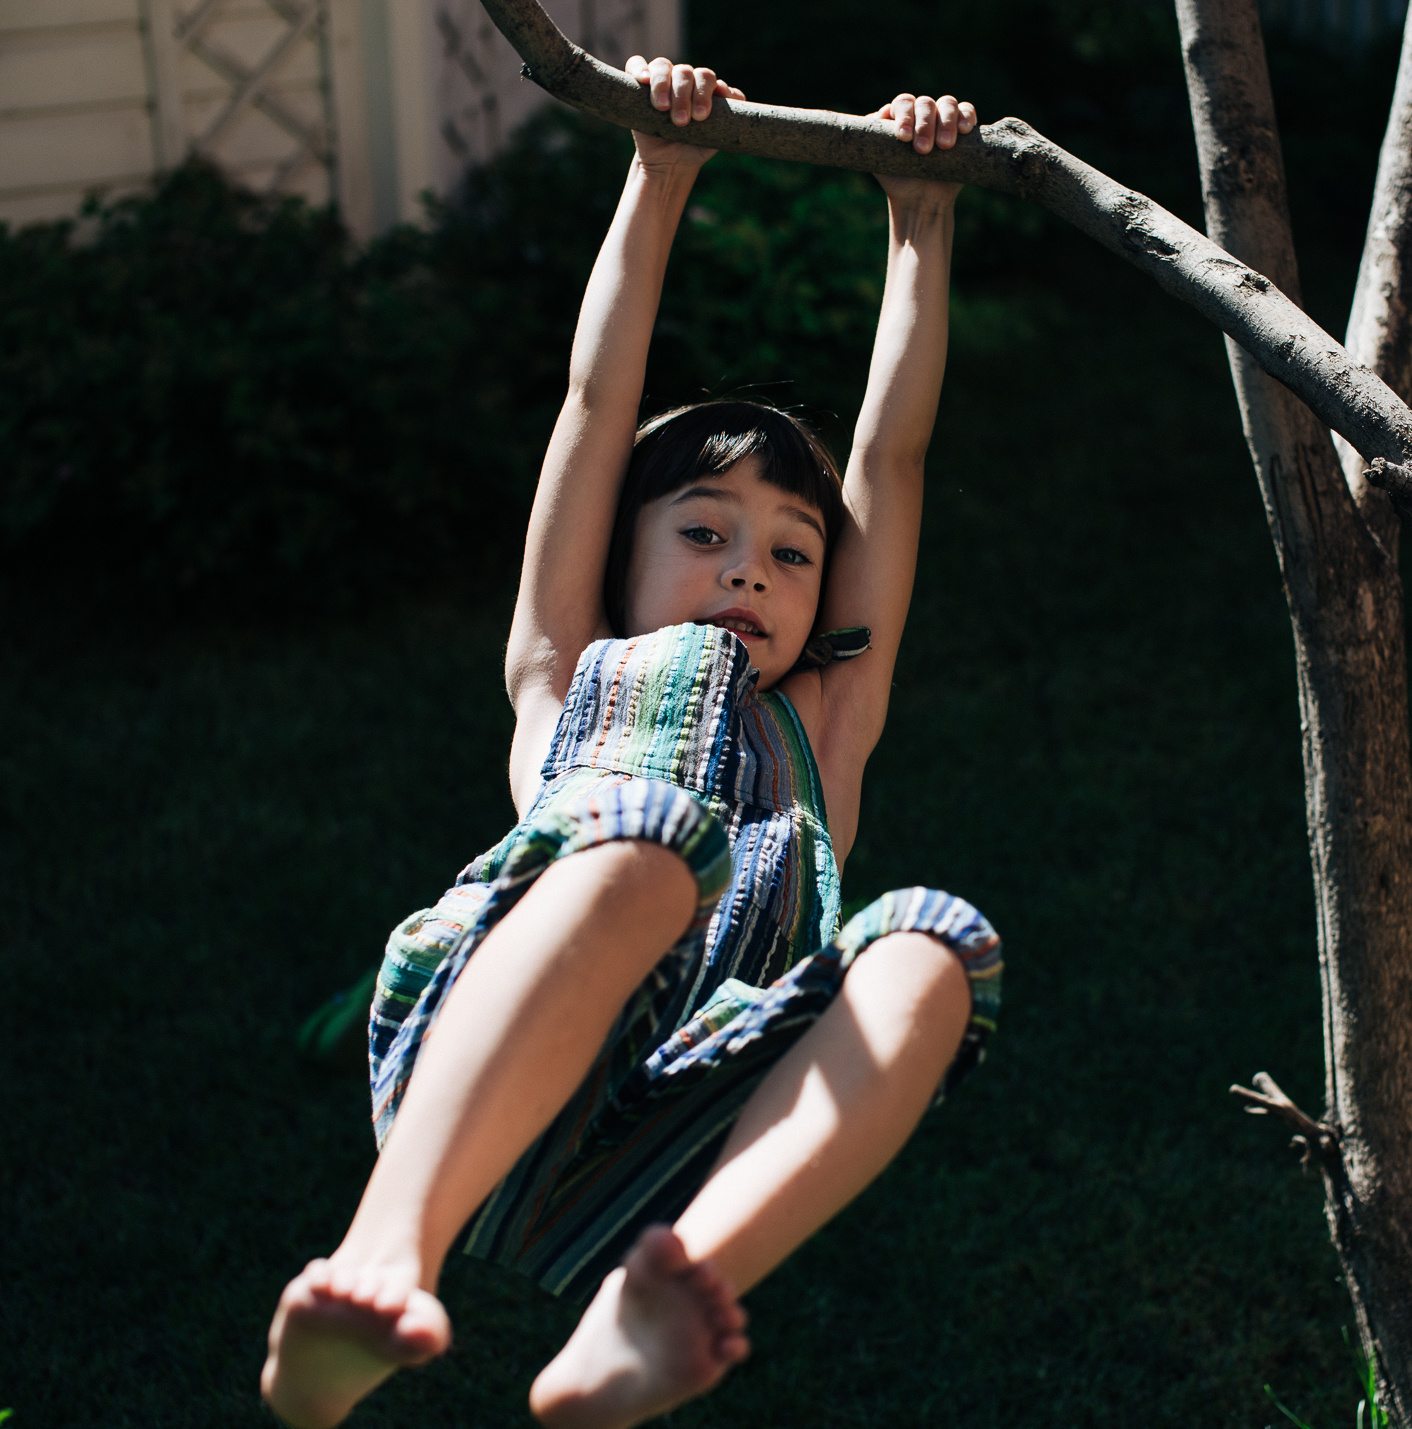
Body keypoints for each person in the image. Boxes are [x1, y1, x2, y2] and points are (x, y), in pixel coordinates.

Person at [258, 56, 1000, 1429]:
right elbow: (596, 408)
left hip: (678, 1109)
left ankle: (660, 1290)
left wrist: (922, 216)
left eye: (790, 552)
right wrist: (661, 171)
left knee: (936, 945)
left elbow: (889, 460)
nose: (751, 568)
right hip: (488, 1062)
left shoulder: (827, 721)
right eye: (705, 530)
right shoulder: (566, 670)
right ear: (621, 556)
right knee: (654, 845)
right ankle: (380, 1258)